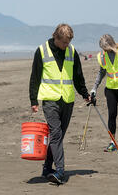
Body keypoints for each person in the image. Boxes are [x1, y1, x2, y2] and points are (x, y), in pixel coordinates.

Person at [29, 24, 92, 184]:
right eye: (64, 42)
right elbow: (35, 76)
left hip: (68, 100)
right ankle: (60, 171)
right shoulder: (42, 50)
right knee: (55, 135)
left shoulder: (72, 51)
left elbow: (78, 76)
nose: (66, 46)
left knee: (58, 137)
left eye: (68, 42)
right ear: (55, 38)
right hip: (50, 100)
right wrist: (33, 100)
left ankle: (46, 168)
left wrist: (85, 94)